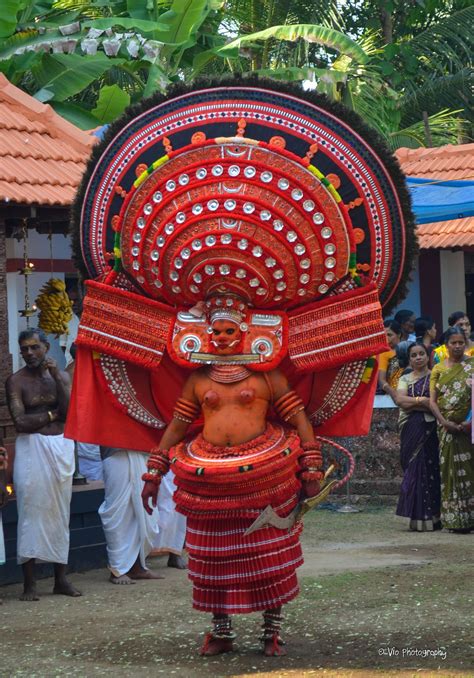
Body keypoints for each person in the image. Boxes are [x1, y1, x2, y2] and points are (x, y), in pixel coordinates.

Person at [142, 302, 324, 657]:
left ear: (244, 332)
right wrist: (154, 472)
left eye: (229, 331)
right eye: (217, 332)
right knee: (213, 557)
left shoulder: (266, 376)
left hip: (266, 475)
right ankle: (221, 631)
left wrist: (312, 466)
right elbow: (177, 426)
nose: (223, 338)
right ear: (206, 335)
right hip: (210, 479)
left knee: (269, 555)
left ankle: (271, 631)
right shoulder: (197, 379)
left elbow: (300, 420)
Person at [5, 328, 81, 600]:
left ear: (46, 348)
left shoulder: (59, 377)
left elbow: (71, 412)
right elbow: (21, 422)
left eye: (34, 347)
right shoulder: (16, 381)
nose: (29, 353)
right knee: (30, 513)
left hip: (60, 447)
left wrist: (58, 380)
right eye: (24, 349)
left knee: (60, 513)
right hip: (31, 448)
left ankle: (61, 580)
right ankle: (29, 585)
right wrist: (52, 414)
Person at [429, 327, 474, 533]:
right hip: (445, 428)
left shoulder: (472, 365)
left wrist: (469, 423)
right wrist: (444, 422)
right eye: (453, 343)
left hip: (468, 429)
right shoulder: (438, 370)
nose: (457, 346)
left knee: (470, 470)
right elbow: (432, 402)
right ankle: (453, 520)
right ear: (445, 345)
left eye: (461, 342)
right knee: (448, 472)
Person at [394, 343, 441, 531]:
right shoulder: (405, 378)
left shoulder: (434, 377)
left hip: (431, 429)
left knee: (430, 470)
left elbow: (436, 404)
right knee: (414, 469)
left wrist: (414, 403)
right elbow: (400, 401)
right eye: (414, 355)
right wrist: (422, 401)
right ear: (409, 359)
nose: (418, 357)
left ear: (428, 356)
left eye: (422, 354)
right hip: (411, 428)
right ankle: (414, 517)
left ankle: (434, 518)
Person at [379, 319, 404, 399]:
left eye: (389, 335)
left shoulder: (409, 349)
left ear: (399, 334)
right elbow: (381, 380)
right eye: (384, 335)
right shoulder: (383, 353)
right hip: (392, 397)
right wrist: (393, 393)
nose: (386, 339)